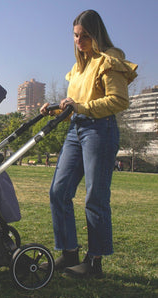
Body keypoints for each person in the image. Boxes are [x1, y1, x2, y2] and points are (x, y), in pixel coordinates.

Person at [40, 9, 137, 278]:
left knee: (95, 197)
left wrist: (80, 107)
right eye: (75, 36)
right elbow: (75, 106)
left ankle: (94, 262)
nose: (78, 41)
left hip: (100, 131)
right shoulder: (78, 68)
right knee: (58, 191)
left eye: (84, 36)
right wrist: (55, 109)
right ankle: (69, 254)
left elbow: (119, 101)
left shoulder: (109, 60)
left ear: (96, 35)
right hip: (76, 130)